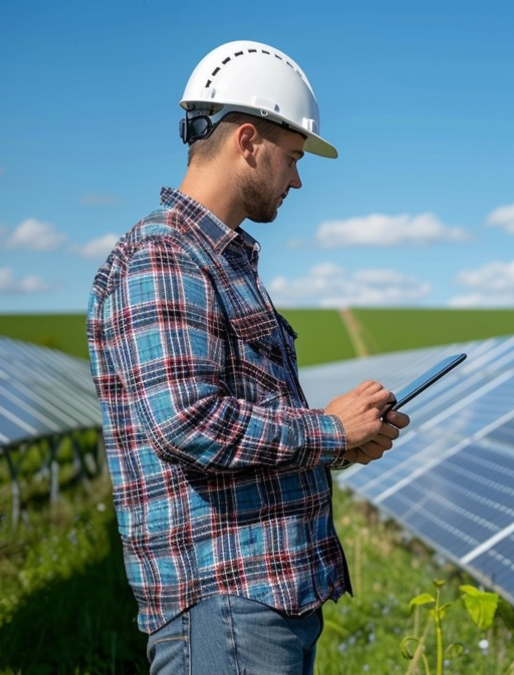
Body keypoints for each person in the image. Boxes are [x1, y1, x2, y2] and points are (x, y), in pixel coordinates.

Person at [86, 40, 408, 674]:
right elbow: (187, 423)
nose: (296, 178)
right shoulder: (166, 255)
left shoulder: (217, 260)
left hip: (255, 604)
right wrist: (328, 429)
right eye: (291, 158)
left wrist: (337, 447)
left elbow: (231, 435)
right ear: (246, 140)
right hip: (228, 609)